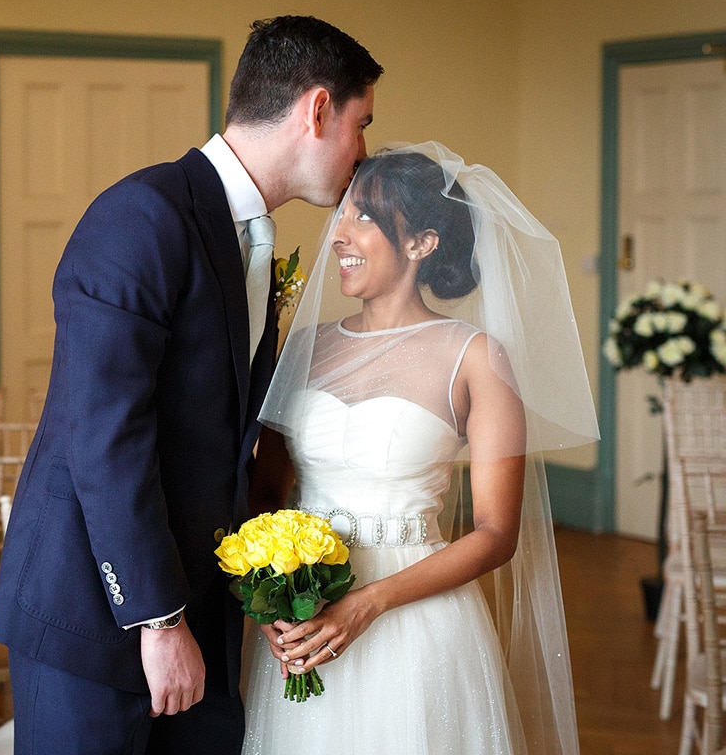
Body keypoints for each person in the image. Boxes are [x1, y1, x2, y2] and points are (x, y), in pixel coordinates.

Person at [0, 15, 383, 755]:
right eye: (361, 124)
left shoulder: (250, 237)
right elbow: (103, 436)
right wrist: (159, 620)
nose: (362, 152)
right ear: (318, 109)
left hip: (203, 606)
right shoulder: (140, 217)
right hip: (97, 614)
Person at [243, 142, 600, 754]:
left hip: (417, 624)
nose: (339, 238)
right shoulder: (305, 345)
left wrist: (366, 604)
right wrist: (271, 595)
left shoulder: (477, 359)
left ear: (422, 243)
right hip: (303, 622)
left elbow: (495, 533)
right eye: (342, 215)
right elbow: (263, 496)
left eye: (365, 219)